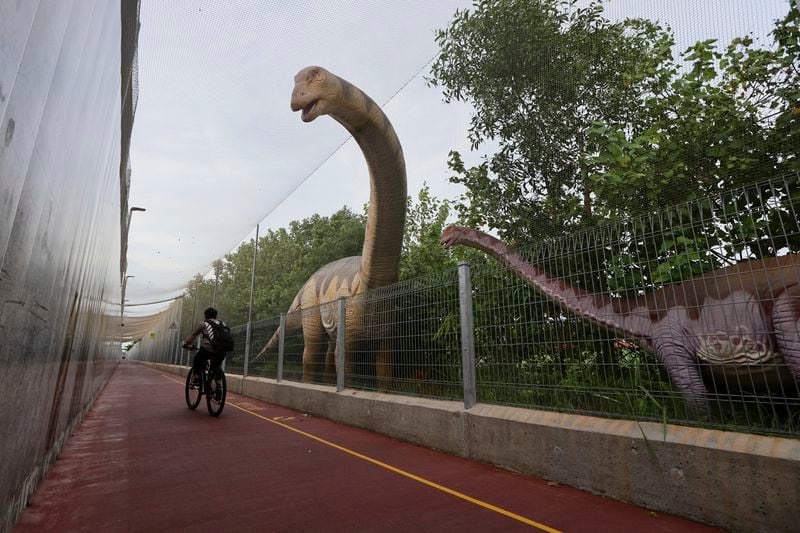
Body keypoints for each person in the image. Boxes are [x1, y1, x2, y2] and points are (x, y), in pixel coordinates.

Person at [183, 307, 228, 389]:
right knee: (216, 366)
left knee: (197, 359)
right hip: (222, 351)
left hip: (207, 350)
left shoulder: (203, 324)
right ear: (216, 315)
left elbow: (193, 335)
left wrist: (186, 344)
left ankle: (196, 379)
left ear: (205, 315)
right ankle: (218, 385)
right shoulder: (223, 324)